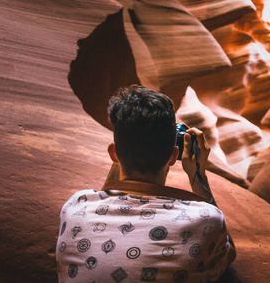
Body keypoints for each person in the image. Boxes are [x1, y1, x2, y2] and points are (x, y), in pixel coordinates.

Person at [56, 85, 235, 282]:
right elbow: (227, 253)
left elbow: (109, 192)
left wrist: (127, 146)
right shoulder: (207, 219)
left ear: (113, 154)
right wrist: (197, 175)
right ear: (173, 156)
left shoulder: (76, 206)